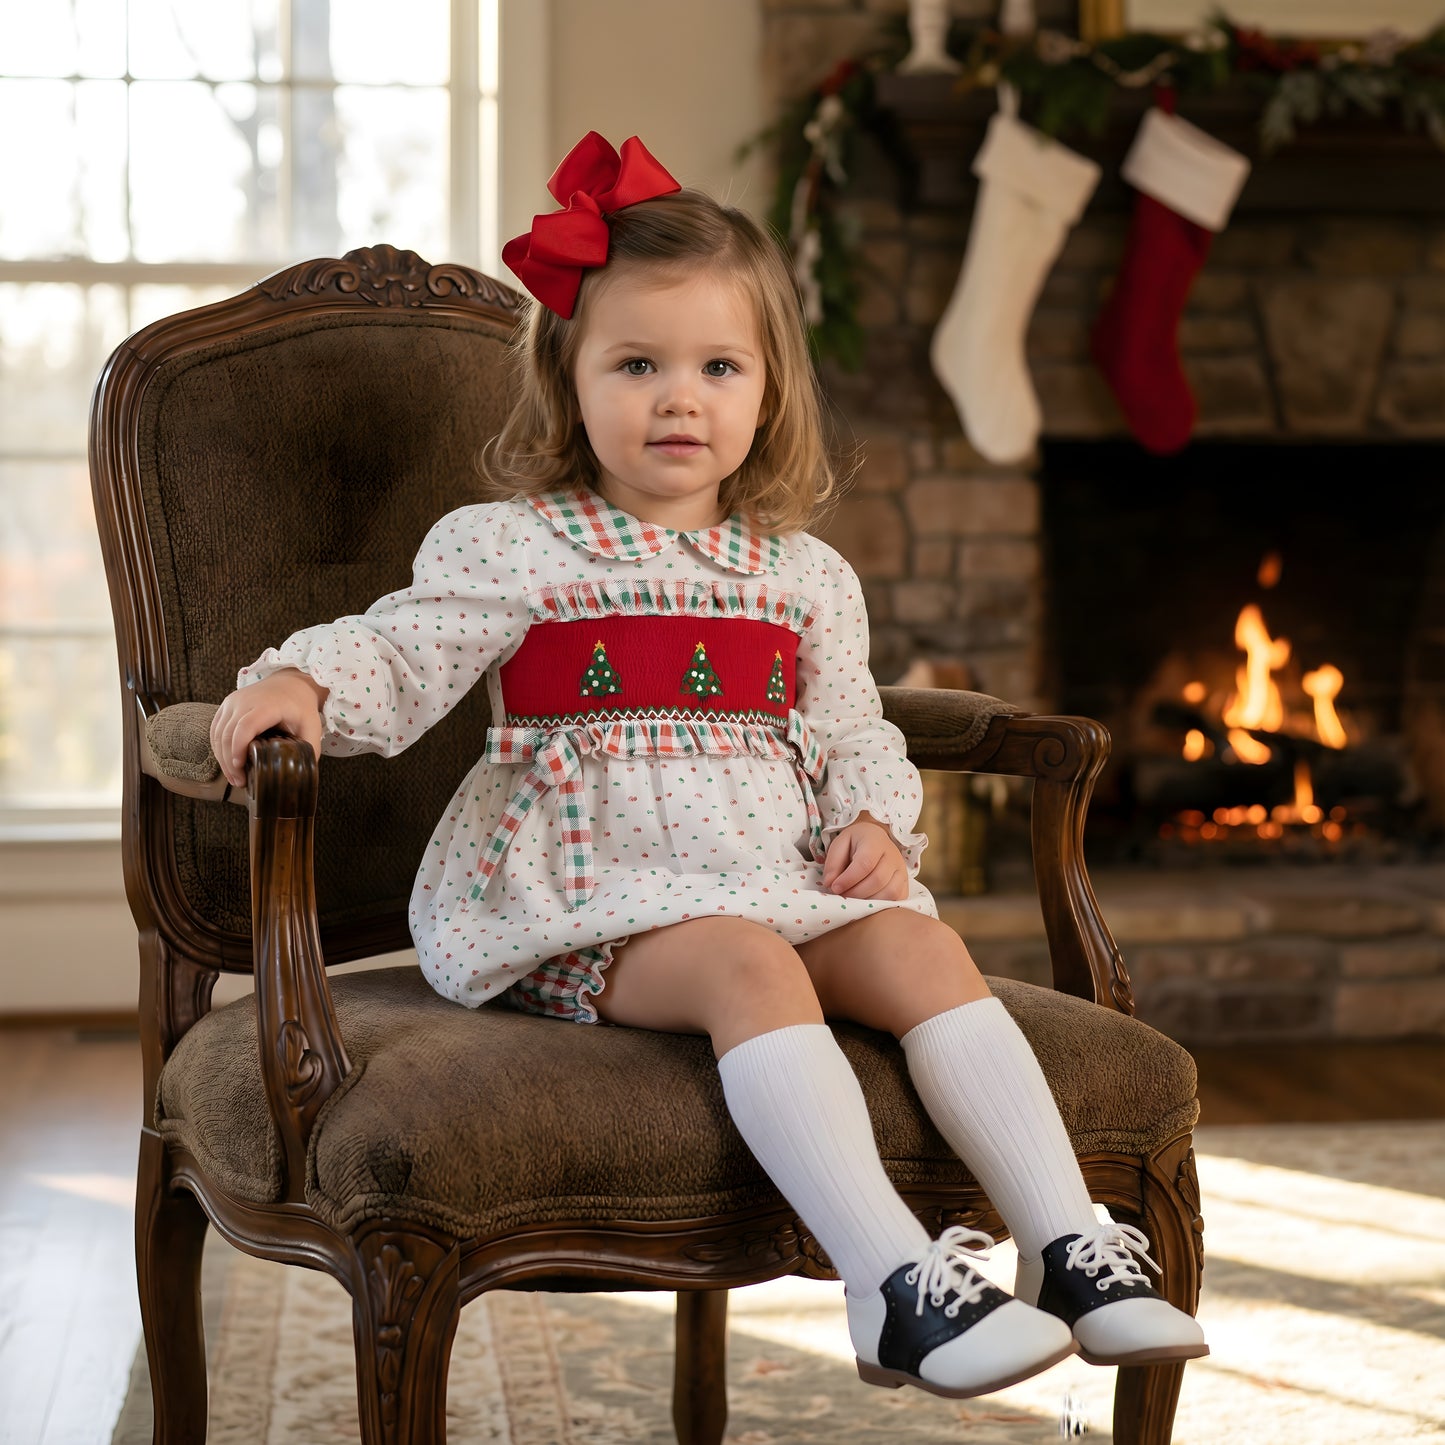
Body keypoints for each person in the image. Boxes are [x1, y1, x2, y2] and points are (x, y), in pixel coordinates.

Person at [209, 131, 1206, 1400]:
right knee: (744, 960)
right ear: (569, 382)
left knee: (915, 943)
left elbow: (853, 727)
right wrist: (301, 680)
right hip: (588, 900)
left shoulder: (799, 574)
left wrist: (874, 823)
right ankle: (888, 1280)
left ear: (764, 390)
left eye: (715, 366)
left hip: (768, 871)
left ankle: (1068, 1246)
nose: (678, 397)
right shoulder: (514, 546)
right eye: (637, 363)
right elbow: (402, 652)